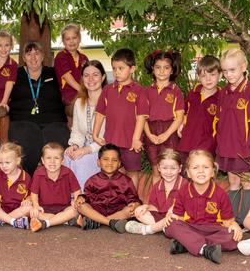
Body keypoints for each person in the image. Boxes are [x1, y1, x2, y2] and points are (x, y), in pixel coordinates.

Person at [164, 150, 243, 264]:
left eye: (206, 167)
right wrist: (171, 217)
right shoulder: (183, 191)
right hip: (191, 226)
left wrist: (234, 225)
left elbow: (228, 221)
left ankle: (186, 244)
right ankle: (205, 249)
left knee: (233, 237)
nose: (201, 171)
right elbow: (178, 217)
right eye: (195, 168)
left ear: (212, 172)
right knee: (170, 226)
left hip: (213, 230)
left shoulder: (220, 194)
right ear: (188, 173)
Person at [215, 49, 250, 226]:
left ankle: (244, 219)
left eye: (232, 70)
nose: (228, 75)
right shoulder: (223, 92)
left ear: (243, 67)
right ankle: (231, 219)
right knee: (233, 181)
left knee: (246, 181)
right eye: (225, 71)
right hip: (227, 145)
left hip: (244, 145)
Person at [9, 41, 69, 174]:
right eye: (29, 54)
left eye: (37, 53)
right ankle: (27, 180)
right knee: (27, 136)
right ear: (23, 58)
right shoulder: (15, 74)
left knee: (58, 136)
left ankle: (57, 181)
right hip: (22, 121)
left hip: (53, 120)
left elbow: (70, 87)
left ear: (43, 56)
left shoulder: (53, 73)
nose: (33, 58)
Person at [93, 48, 148, 190]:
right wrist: (95, 134)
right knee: (111, 172)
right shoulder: (108, 89)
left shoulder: (139, 91)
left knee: (132, 172)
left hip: (130, 143)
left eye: (121, 68)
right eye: (114, 68)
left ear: (132, 69)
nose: (116, 72)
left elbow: (141, 117)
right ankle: (113, 199)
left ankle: (132, 201)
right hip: (111, 141)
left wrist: (136, 139)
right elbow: (100, 113)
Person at [74, 144, 140, 233]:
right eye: (105, 159)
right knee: (81, 206)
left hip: (118, 211)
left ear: (119, 163)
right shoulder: (92, 180)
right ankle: (110, 222)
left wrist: (135, 203)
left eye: (114, 160)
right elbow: (88, 196)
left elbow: (132, 197)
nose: (110, 163)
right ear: (98, 162)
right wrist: (82, 198)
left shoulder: (126, 180)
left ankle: (97, 222)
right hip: (97, 210)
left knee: (131, 210)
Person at [63, 60, 106, 190]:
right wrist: (75, 146)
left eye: (95, 74)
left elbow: (108, 137)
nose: (91, 79)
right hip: (85, 145)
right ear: (82, 79)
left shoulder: (110, 102)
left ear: (103, 77)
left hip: (103, 149)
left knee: (80, 162)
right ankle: (69, 199)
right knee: (67, 156)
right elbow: (77, 132)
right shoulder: (79, 103)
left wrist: (86, 150)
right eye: (86, 75)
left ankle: (82, 200)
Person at [143, 50, 185, 182]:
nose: (162, 71)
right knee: (156, 170)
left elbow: (179, 117)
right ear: (153, 69)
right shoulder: (146, 91)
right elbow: (142, 117)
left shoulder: (176, 91)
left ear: (172, 71)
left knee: (171, 169)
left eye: (166, 68)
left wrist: (166, 135)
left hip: (169, 132)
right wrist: (149, 135)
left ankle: (174, 201)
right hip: (151, 132)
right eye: (158, 67)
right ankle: (156, 200)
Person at [125, 148, 187, 235]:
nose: (168, 172)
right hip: (161, 217)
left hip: (178, 218)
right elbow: (155, 207)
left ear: (180, 168)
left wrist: (174, 209)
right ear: (159, 168)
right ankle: (162, 227)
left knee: (173, 220)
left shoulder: (185, 185)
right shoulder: (157, 186)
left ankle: (147, 229)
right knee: (139, 213)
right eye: (165, 168)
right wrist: (145, 206)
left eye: (173, 168)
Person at [29, 143, 82, 232]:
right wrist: (36, 205)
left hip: (65, 207)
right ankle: (64, 220)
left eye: (56, 158)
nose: (52, 161)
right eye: (48, 158)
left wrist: (76, 201)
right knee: (34, 213)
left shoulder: (68, 172)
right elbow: (34, 193)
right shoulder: (38, 173)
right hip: (44, 208)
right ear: (43, 160)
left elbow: (77, 191)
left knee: (74, 210)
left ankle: (46, 223)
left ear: (62, 161)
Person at [176, 55, 220, 162]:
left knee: (202, 175)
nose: (208, 79)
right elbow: (184, 111)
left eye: (212, 74)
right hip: (186, 142)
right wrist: (181, 125)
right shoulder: (193, 93)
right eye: (204, 76)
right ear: (199, 77)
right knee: (185, 174)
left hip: (206, 146)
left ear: (220, 74)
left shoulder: (221, 98)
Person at [0, 142, 32, 229]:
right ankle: (14, 221)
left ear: (17, 161)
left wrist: (28, 200)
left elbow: (31, 194)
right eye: (1, 163)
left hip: (19, 209)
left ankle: (2, 220)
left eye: (7, 163)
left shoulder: (26, 177)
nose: (4, 166)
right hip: (2, 208)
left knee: (29, 208)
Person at [54, 24, 89, 121]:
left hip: (84, 93)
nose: (71, 41)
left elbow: (87, 76)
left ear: (79, 38)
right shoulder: (61, 56)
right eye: (68, 39)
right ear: (63, 41)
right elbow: (67, 77)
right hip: (70, 96)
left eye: (74, 37)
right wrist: (83, 91)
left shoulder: (84, 58)